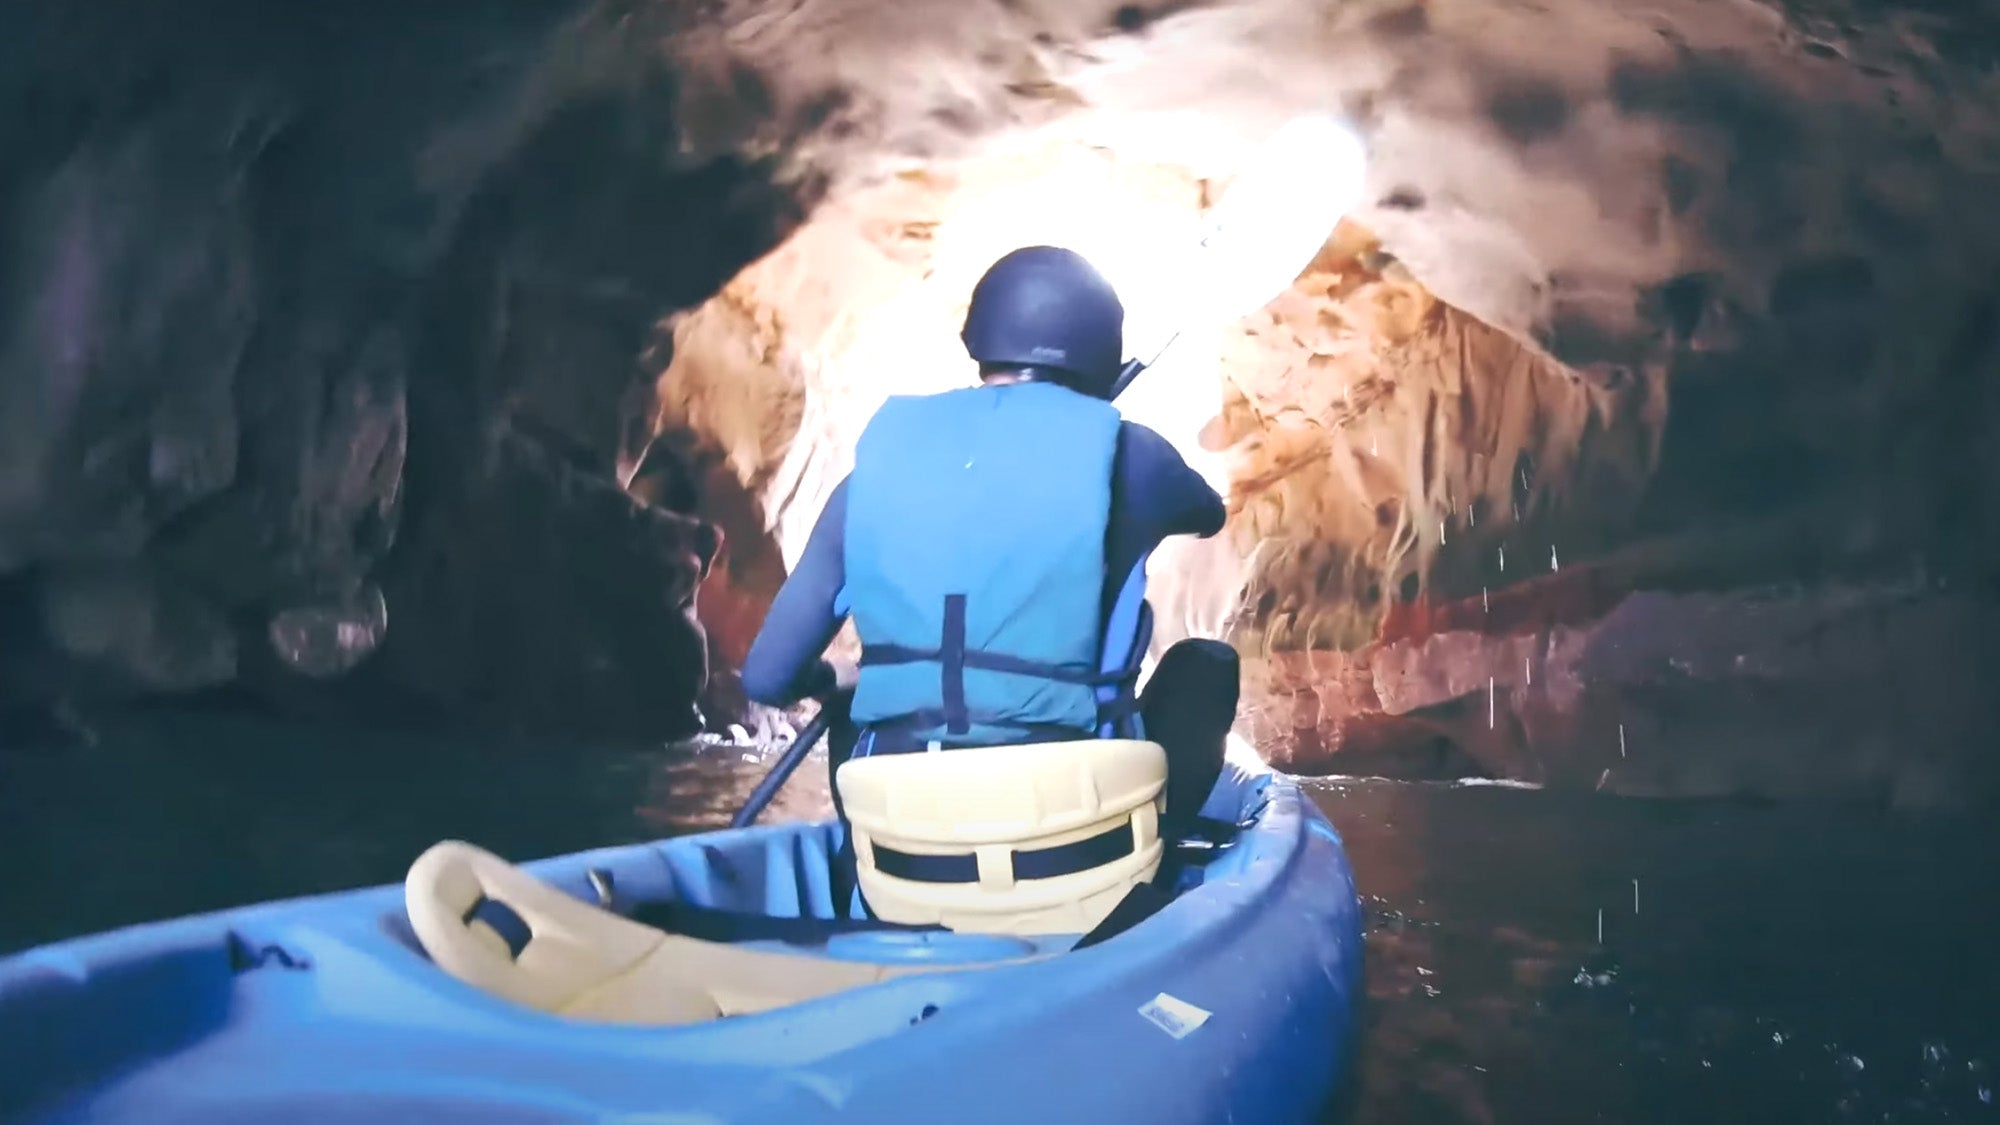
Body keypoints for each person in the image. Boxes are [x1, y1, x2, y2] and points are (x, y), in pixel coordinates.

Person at [739, 245, 1241, 849]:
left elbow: (769, 677)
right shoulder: (1136, 457)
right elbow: (1208, 514)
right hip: (1080, 839)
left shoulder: (872, 476)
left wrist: (836, 678)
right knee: (1208, 665)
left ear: (978, 342)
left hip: (903, 851)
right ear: (1104, 356)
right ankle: (1155, 866)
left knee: (861, 692)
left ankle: (863, 873)